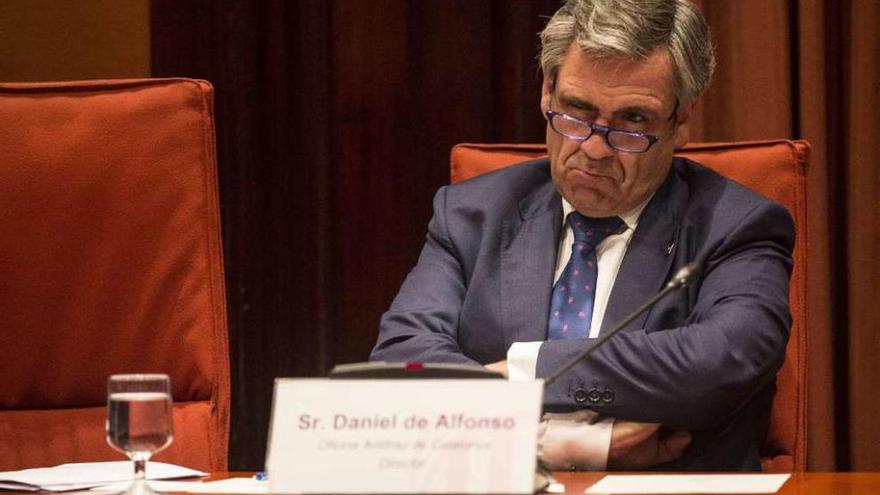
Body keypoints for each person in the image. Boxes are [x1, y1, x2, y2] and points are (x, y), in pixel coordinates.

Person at [371, 0, 793, 472]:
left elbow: (726, 357)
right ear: (547, 93)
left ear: (680, 121)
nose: (593, 149)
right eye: (576, 111)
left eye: (632, 121)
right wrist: (567, 444)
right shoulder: (473, 215)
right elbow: (404, 362)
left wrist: (532, 370)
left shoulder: (737, 225)